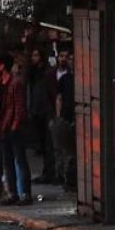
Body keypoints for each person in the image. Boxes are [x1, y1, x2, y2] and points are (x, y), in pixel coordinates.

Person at [0, 53, 32, 205]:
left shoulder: (15, 83)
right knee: (7, 162)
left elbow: (19, 107)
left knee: (20, 160)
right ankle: (13, 193)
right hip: (3, 127)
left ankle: (25, 194)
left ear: (3, 66)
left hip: (13, 128)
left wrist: (15, 126)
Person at [26, 48, 56, 184]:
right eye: (33, 55)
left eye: (36, 55)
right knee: (43, 144)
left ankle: (50, 172)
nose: (34, 58)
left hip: (45, 111)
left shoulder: (46, 74)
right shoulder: (33, 74)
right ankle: (47, 171)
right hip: (37, 111)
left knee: (48, 144)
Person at [51, 49, 76, 191]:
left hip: (73, 117)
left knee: (71, 152)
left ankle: (70, 180)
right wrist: (59, 116)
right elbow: (59, 98)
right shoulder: (64, 79)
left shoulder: (77, 79)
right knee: (67, 152)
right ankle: (67, 179)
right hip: (66, 118)